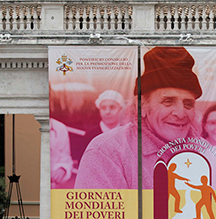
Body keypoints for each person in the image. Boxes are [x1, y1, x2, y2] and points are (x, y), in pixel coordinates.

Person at [75, 47, 205, 190]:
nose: (180, 113)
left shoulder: (207, 152)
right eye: (168, 101)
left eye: (188, 104)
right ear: (142, 107)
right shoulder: (107, 152)